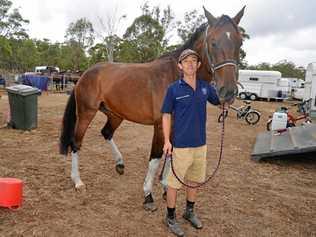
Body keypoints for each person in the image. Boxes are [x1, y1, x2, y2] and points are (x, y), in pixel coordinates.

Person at [161, 49, 220, 237]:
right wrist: (167, 140)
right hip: (181, 145)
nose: (190, 64)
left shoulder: (205, 87)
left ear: (199, 65)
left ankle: (189, 211)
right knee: (174, 183)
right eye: (186, 61)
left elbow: (220, 101)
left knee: (194, 180)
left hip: (200, 144)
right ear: (180, 66)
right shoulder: (173, 89)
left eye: (194, 60)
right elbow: (166, 115)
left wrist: (227, 94)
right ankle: (170, 217)